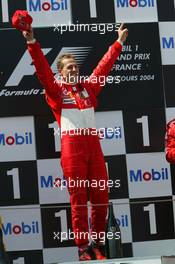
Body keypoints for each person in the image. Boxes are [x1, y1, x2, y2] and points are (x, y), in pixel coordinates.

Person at [22, 23, 128, 261]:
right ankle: (82, 248)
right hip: (72, 148)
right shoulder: (56, 92)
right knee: (78, 198)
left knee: (101, 196)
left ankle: (98, 245)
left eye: (75, 66)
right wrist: (32, 43)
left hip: (93, 146)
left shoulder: (88, 88)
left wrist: (118, 42)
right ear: (60, 72)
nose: (73, 69)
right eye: (69, 67)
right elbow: (42, 71)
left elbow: (103, 68)